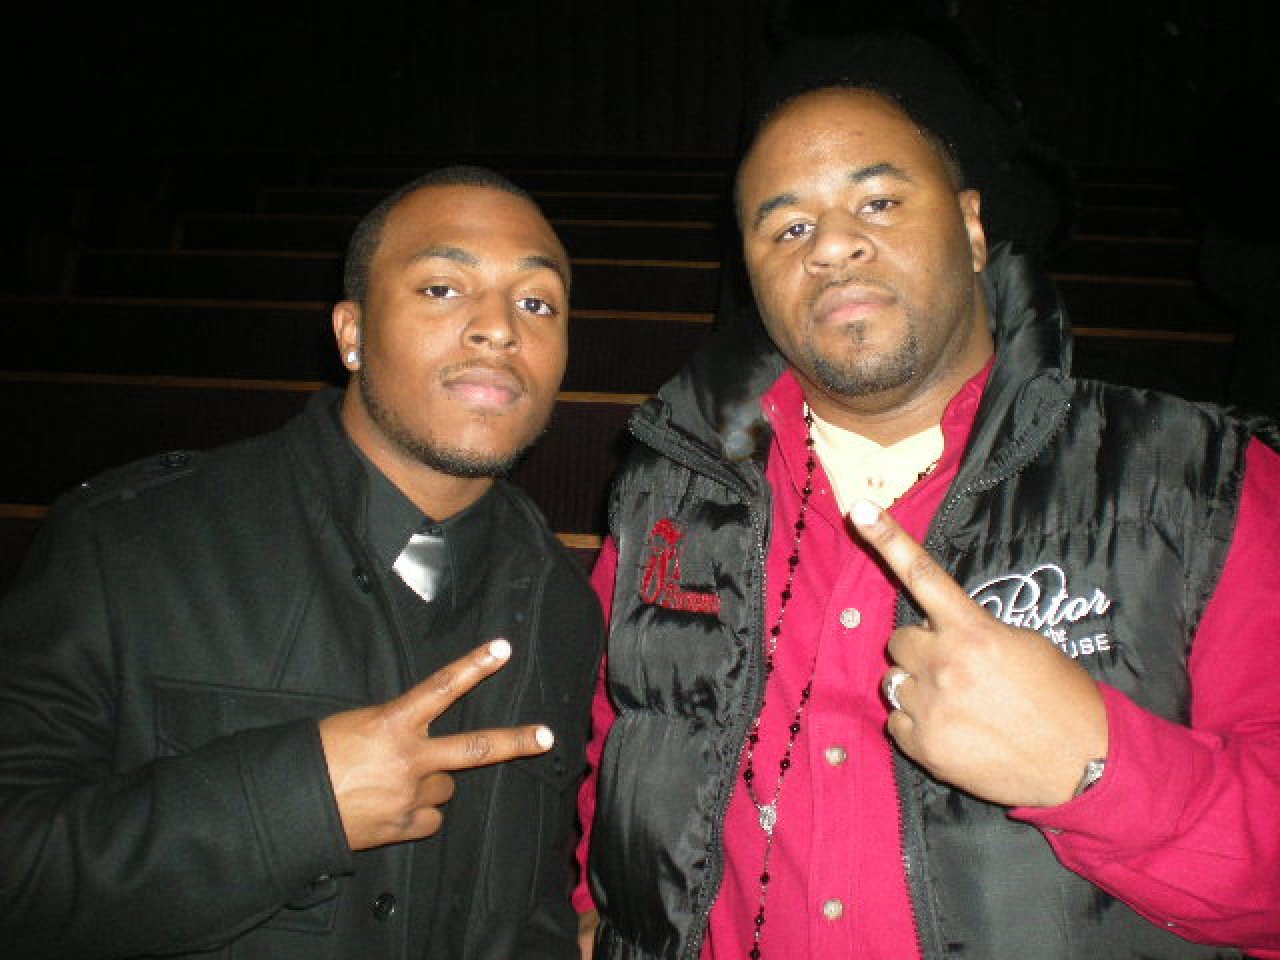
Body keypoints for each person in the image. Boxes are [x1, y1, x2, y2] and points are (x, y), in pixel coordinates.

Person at [573, 35, 1280, 960]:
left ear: (973, 226)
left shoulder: (1202, 479)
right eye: (787, 228)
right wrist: (596, 910)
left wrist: (1094, 770)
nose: (833, 243)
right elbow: (614, 743)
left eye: (878, 201)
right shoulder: (668, 491)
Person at [0, 165, 604, 959]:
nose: (499, 328)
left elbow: (523, 906)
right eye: (441, 288)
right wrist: (295, 804)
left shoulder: (564, 604)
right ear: (352, 333)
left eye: (538, 303)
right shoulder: (129, 544)